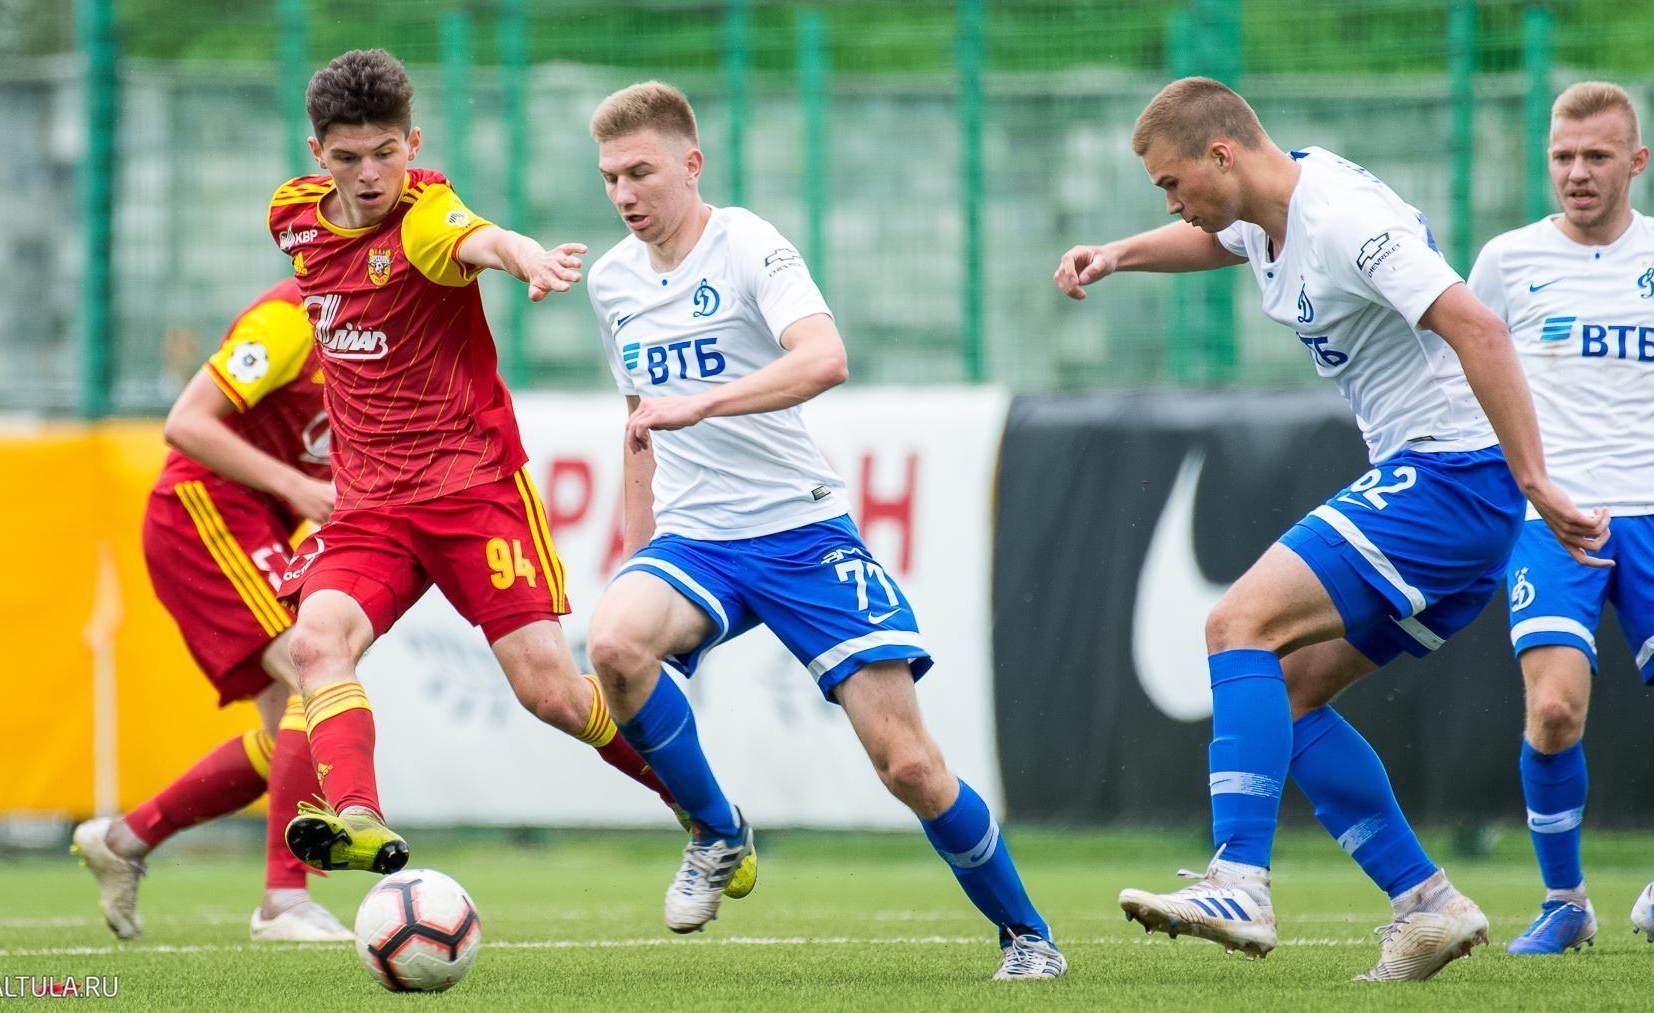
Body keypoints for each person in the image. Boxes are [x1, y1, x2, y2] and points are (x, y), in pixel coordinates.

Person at [1053, 77, 1609, 981]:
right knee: (1288, 692)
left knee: (1235, 624)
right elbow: (1216, 239)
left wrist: (1534, 479)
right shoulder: (1264, 207)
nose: (1172, 204)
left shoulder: (1345, 219)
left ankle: (1239, 878)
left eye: (1171, 184)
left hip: (1452, 477)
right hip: (1447, 491)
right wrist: (1118, 254)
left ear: (1221, 155)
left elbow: (1478, 328)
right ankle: (1426, 902)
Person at [582, 81, 1064, 982]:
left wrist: (704, 403)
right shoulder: (612, 281)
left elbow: (825, 358)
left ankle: (1029, 936)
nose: (623, 193)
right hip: (696, 539)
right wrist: (638, 546)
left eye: (640, 172)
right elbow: (639, 422)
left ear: (692, 164)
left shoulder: (749, 244)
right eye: (610, 177)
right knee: (613, 643)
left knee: (909, 765)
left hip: (801, 533)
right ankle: (716, 830)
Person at [267, 49, 683, 875]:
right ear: (317, 155)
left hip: (470, 490)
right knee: (315, 644)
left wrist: (529, 259)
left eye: (386, 152)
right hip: (370, 507)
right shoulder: (292, 216)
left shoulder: (425, 216)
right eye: (348, 157)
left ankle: (697, 802)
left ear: (412, 143)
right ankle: (358, 815)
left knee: (550, 691)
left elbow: (480, 240)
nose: (370, 174)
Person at [73, 277, 350, 943]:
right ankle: (284, 900)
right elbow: (185, 423)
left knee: (287, 728)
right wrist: (295, 485)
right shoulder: (291, 317)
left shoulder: (386, 329)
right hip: (205, 511)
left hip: (256, 525)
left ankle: (125, 839)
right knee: (317, 678)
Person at [1466, 80, 1654, 954]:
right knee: (1552, 711)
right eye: (1562, 156)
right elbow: (1462, 373)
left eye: (1596, 156)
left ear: (1636, 162)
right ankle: (1566, 901)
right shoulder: (1507, 261)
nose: (1577, 173)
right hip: (1552, 517)